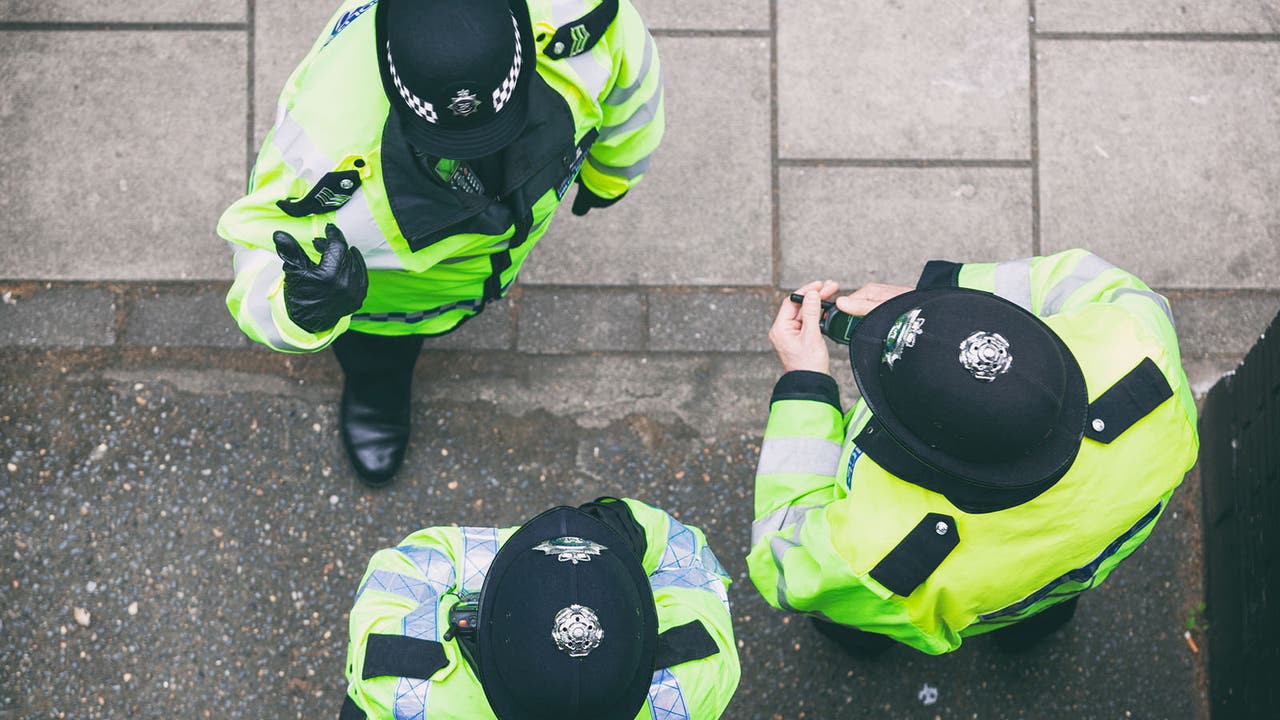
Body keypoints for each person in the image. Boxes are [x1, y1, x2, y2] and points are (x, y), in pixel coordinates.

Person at [218, 0, 663, 486]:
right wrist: (299, 309)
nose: (486, 151)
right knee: (377, 354)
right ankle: (377, 389)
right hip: (388, 310)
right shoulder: (320, 154)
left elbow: (633, 88)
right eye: (454, 141)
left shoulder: (581, 17)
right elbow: (256, 253)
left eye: (499, 126)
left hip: (472, 272)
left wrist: (611, 174)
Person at [748, 249, 1199, 654]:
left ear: (929, 448)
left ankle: (865, 649)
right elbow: (1087, 278)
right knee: (1039, 613)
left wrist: (805, 383)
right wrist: (946, 303)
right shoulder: (1140, 349)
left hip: (894, 596)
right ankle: (1027, 642)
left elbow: (784, 561)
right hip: (1071, 565)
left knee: (855, 621)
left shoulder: (881, 556)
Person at [338, 497, 740, 719]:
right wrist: (612, 533)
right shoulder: (695, 677)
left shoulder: (404, 687)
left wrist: (523, 565)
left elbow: (407, 567)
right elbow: (684, 557)